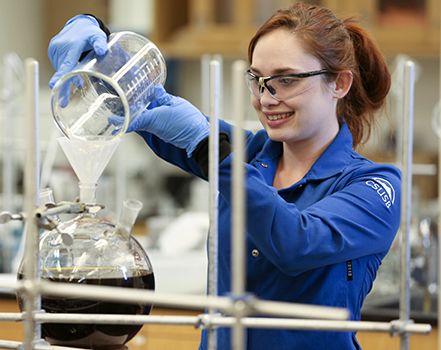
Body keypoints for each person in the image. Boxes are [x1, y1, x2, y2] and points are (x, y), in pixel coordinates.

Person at [48, 3, 400, 349]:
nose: (266, 98)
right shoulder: (251, 155)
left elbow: (296, 243)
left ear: (339, 84)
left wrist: (206, 145)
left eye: (286, 80)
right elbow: (145, 102)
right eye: (258, 80)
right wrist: (96, 37)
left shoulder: (374, 187)